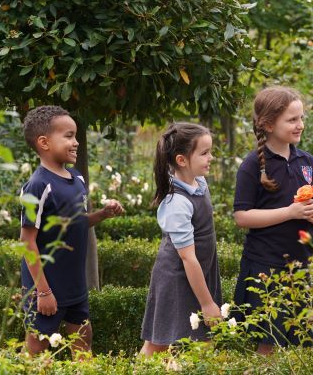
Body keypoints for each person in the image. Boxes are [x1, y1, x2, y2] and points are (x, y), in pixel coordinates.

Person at [19, 105, 124, 356]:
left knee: (83, 342)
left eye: (75, 135)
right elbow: (27, 242)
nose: (76, 142)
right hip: (45, 286)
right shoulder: (36, 186)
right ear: (44, 142)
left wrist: (101, 214)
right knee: (37, 349)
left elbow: (74, 222)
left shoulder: (77, 179)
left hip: (75, 285)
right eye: (68, 136)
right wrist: (43, 292)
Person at [233, 86, 313, 354]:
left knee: (302, 347)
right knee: (268, 347)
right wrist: (290, 212)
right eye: (292, 119)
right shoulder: (252, 166)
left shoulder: (307, 162)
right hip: (266, 266)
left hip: (300, 266)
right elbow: (242, 216)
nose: (300, 125)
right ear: (268, 124)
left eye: (301, 118)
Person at [139, 122, 222, 355]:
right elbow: (187, 258)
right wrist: (206, 303)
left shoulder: (199, 183)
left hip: (199, 274)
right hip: (177, 277)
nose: (211, 158)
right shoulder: (177, 202)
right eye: (204, 153)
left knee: (205, 339)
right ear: (181, 160)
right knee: (158, 343)